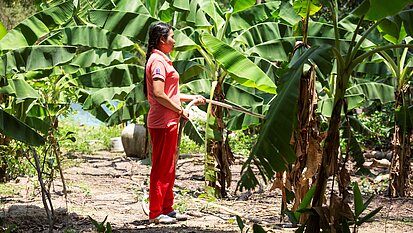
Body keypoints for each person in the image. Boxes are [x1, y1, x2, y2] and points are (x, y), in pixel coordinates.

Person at [144, 22, 206, 224]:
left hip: (169, 120)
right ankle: (155, 212)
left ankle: (167, 208)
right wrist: (180, 110)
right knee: (161, 168)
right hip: (162, 122)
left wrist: (190, 99)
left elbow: (170, 93)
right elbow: (159, 94)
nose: (174, 40)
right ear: (162, 40)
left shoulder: (162, 60)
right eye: (171, 36)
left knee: (169, 167)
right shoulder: (158, 62)